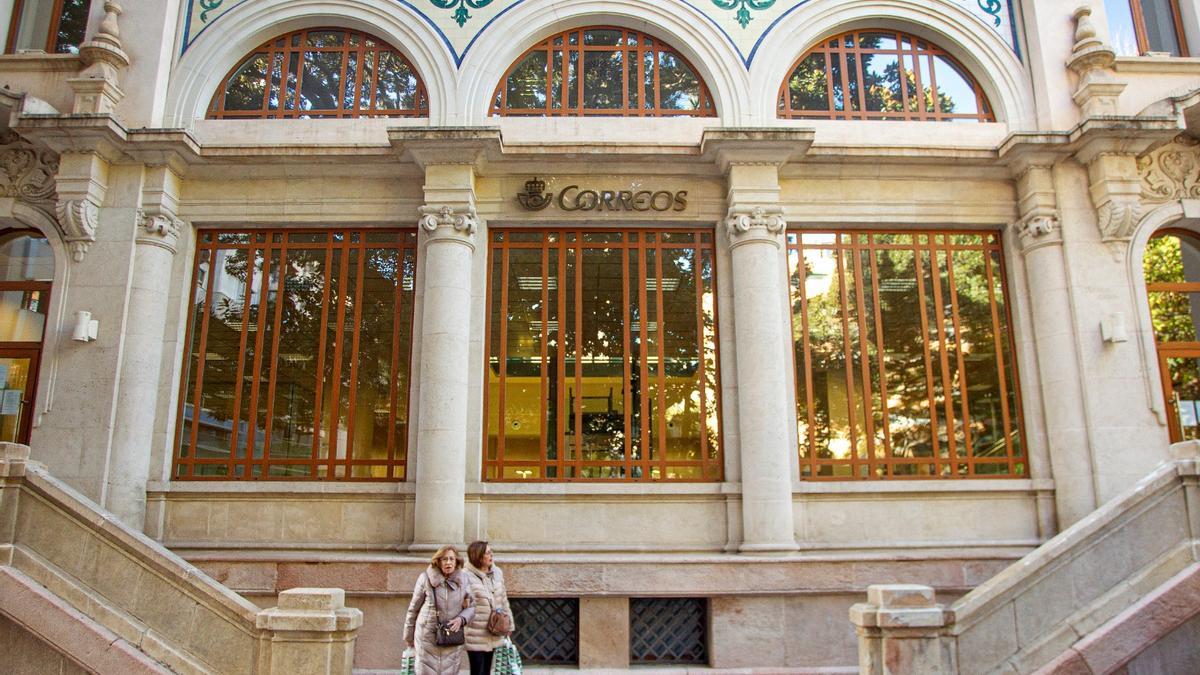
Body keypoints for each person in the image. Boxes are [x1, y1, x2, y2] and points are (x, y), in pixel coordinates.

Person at [404, 545, 475, 674]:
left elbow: (472, 607)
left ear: (457, 561)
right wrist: (408, 636)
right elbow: (413, 609)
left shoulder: (464, 579)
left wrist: (461, 619)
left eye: (451, 559)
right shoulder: (425, 578)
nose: (448, 562)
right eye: (444, 559)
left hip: (452, 635)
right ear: (438, 562)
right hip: (427, 636)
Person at [464, 540, 513, 675]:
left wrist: (510, 625)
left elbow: (503, 600)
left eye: (491, 552)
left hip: (494, 629)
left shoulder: (497, 572)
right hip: (476, 632)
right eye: (488, 553)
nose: (491, 555)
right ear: (478, 556)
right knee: (477, 670)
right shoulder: (465, 576)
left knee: (487, 671)